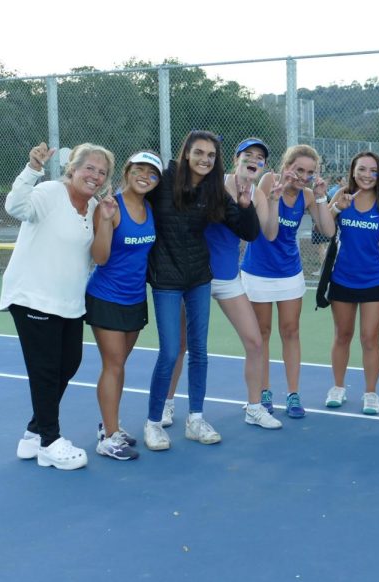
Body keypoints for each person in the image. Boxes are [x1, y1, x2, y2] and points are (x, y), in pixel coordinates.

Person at [1, 142, 116, 470]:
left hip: (69, 302)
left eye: (102, 171)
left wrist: (106, 220)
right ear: (73, 169)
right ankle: (50, 442)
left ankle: (34, 432)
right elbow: (16, 206)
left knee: (69, 363)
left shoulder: (95, 207)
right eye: (89, 168)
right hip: (32, 296)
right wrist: (32, 168)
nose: (94, 175)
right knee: (46, 369)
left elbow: (98, 256)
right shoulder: (50, 191)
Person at [144, 130, 260, 451]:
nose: (205, 159)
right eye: (199, 152)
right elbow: (134, 195)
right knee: (170, 351)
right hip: (166, 279)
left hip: (199, 278)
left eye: (211, 155)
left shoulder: (214, 193)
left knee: (199, 351)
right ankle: (154, 422)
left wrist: (246, 205)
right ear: (186, 153)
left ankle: (196, 419)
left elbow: (248, 232)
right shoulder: (164, 181)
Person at [244, 144, 335, 418]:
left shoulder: (309, 195)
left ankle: (293, 394)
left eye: (309, 172)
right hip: (258, 270)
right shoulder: (270, 181)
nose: (302, 176)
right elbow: (267, 231)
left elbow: (328, 231)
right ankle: (264, 390)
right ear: (287, 167)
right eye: (298, 170)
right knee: (262, 334)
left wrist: (320, 198)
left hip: (289, 273)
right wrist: (274, 197)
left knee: (291, 331)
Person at [86, 151, 162, 460]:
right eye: (140, 170)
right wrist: (105, 221)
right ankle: (108, 437)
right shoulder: (110, 207)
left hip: (134, 298)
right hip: (106, 297)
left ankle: (111, 426)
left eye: (153, 173)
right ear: (128, 172)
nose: (145, 176)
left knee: (119, 367)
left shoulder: (150, 208)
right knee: (113, 365)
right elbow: (100, 258)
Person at [202, 138, 282, 430]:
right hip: (197, 277)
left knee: (255, 341)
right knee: (182, 346)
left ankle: (254, 407)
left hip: (228, 279)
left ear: (263, 166)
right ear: (236, 159)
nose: (254, 160)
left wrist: (272, 200)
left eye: (260, 158)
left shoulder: (258, 194)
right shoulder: (214, 184)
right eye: (248, 155)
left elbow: (269, 234)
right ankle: (168, 406)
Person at [323, 151, 379, 414]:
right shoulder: (342, 195)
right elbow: (324, 229)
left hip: (375, 280)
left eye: (373, 171)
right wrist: (335, 208)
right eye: (362, 170)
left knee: (370, 339)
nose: (367, 175)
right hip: (342, 278)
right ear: (353, 171)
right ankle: (338, 387)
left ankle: (371, 393)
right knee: (342, 335)